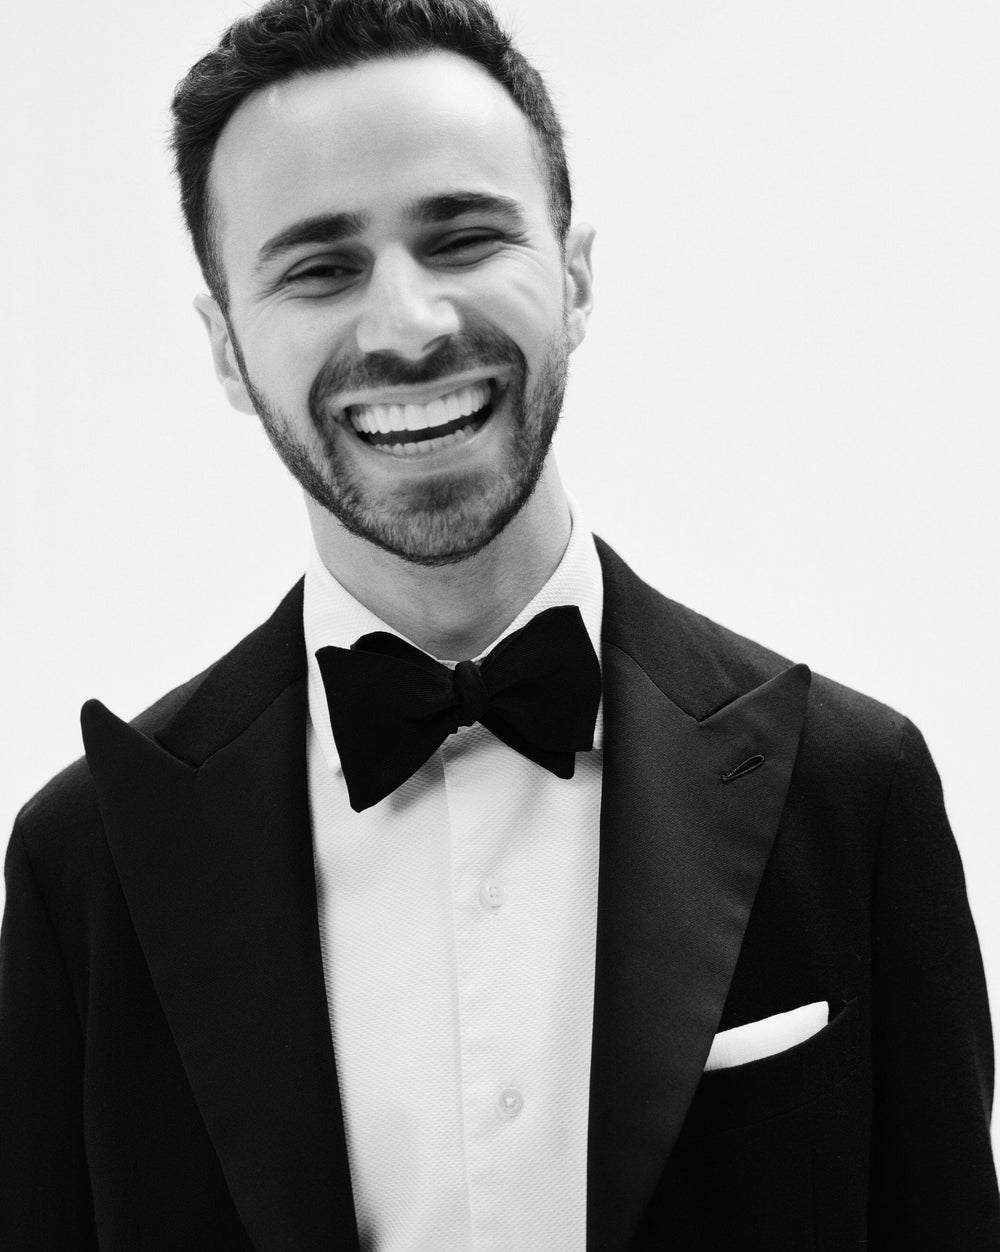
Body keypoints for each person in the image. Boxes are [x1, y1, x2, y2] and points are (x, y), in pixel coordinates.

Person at [1, 0, 997, 1246]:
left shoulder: (853, 790)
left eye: (463, 236)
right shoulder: (84, 864)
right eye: (319, 268)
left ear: (573, 276)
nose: (409, 324)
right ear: (225, 347)